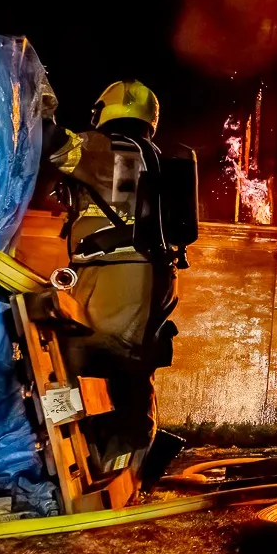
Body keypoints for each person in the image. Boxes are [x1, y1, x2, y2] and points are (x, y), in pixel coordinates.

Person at [43, 81, 196, 485]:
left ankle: (104, 468)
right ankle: (124, 466)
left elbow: (55, 146)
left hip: (118, 275)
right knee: (131, 370)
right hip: (147, 274)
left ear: (103, 112)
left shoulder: (109, 149)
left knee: (71, 361)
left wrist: (31, 103)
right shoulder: (149, 156)